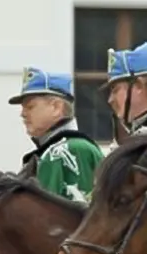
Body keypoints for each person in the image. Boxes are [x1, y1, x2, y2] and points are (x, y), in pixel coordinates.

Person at [10, 67, 103, 202]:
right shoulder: (51, 151)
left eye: (30, 106)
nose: (22, 114)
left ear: (56, 107)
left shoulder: (73, 149)